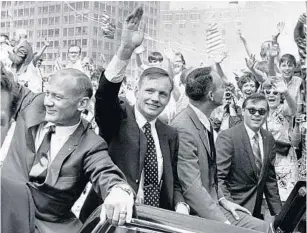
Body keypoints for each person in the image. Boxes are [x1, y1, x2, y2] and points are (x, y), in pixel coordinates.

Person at [80, 6, 188, 222]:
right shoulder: (117, 118)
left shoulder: (170, 134)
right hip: (112, 221)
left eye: (162, 94)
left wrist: (180, 204)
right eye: (149, 91)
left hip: (153, 222)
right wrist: (125, 50)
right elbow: (104, 95)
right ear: (136, 91)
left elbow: (173, 180)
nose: (155, 99)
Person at [1, 68, 135, 233]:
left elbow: (105, 172)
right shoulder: (33, 102)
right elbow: (5, 82)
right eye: (47, 93)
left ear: (82, 104)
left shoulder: (91, 145)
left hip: (47, 228)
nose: (47, 102)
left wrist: (119, 192)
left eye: (57, 97)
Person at [171, 67, 269, 232]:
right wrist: (224, 225)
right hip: (196, 212)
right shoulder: (184, 128)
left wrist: (223, 199)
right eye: (223, 87)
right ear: (210, 95)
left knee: (264, 227)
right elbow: (191, 188)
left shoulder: (204, 121)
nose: (226, 90)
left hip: (214, 202)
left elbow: (210, 175)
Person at [216, 93, 282, 221]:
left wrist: (278, 213)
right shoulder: (228, 137)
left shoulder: (268, 138)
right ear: (243, 111)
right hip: (232, 211)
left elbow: (269, 178)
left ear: (267, 114)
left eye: (261, 111)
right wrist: (229, 205)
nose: (256, 114)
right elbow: (218, 178)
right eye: (252, 110)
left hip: (255, 212)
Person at [262, 79, 298, 202]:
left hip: (284, 159)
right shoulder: (260, 112)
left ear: (280, 96)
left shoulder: (283, 110)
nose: (271, 94)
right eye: (268, 92)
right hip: (266, 159)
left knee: (285, 198)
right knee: (267, 199)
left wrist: (286, 92)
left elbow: (293, 109)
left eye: (275, 93)